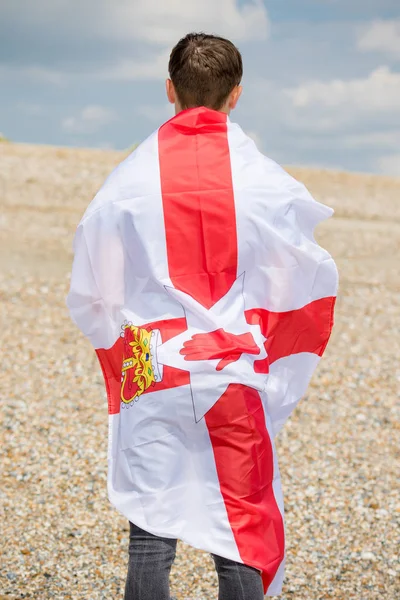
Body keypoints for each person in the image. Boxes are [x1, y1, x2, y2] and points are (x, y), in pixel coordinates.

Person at [67, 33, 338, 600]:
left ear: (169, 89)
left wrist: (126, 352)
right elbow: (302, 278)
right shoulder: (265, 184)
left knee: (151, 526)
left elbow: (96, 293)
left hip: (154, 365)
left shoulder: (126, 183)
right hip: (232, 368)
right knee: (238, 530)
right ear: (235, 96)